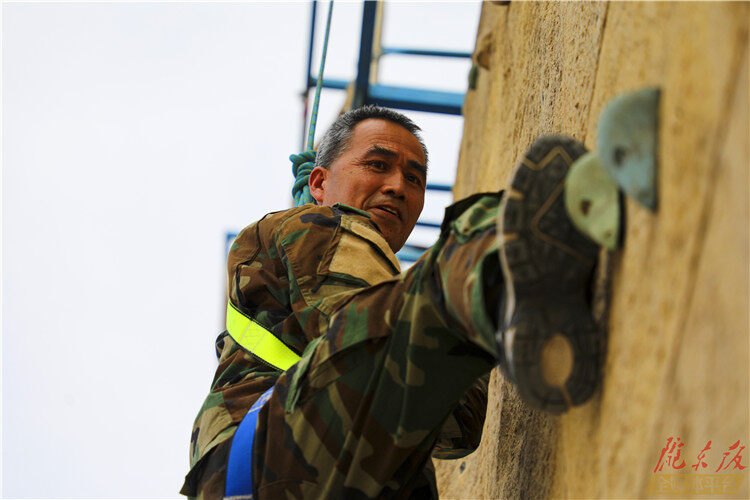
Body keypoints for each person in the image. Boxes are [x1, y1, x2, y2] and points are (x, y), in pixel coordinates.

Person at [181, 105, 601, 499]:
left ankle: (510, 286)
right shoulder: (314, 224)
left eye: (415, 179)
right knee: (443, 277)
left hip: (290, 475)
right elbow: (372, 335)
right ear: (319, 183)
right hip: (266, 468)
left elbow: (461, 426)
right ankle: (511, 246)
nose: (398, 187)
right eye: (377, 165)